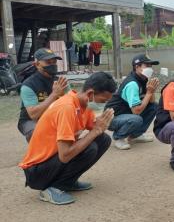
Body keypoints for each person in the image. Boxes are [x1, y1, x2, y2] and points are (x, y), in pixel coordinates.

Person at [19, 72, 117, 205]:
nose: (103, 105)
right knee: (90, 147)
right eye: (102, 101)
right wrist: (94, 132)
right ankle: (55, 187)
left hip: (51, 162)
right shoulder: (67, 108)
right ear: (90, 94)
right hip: (37, 172)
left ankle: (68, 181)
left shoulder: (83, 105)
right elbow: (64, 156)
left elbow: (95, 127)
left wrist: (100, 125)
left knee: (103, 139)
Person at [105, 54, 160, 150]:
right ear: (137, 67)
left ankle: (136, 135)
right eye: (146, 65)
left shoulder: (144, 79)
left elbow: (152, 101)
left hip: (127, 114)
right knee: (136, 118)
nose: (150, 68)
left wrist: (152, 90)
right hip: (111, 118)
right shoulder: (132, 84)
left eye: (151, 66)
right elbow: (136, 111)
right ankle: (119, 138)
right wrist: (149, 92)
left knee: (154, 106)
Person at [17, 48, 69, 142]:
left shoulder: (61, 81)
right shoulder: (28, 85)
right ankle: (39, 154)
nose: (52, 65)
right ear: (37, 64)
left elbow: (72, 103)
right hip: (30, 120)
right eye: (48, 62)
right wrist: (54, 95)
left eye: (54, 62)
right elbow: (33, 115)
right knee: (38, 132)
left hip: (53, 117)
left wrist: (64, 96)